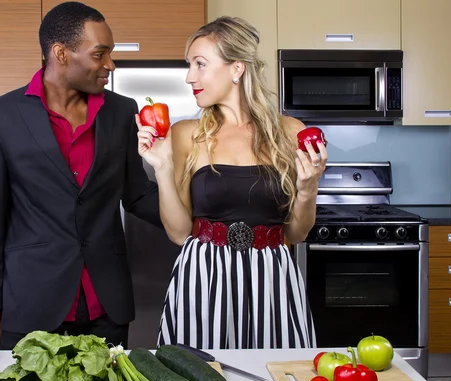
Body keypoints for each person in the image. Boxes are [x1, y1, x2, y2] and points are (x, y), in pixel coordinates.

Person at [0, 2, 162, 351]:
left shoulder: (122, 111)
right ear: (60, 53)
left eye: (110, 53)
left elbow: (137, 194)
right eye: (99, 54)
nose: (110, 65)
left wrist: (202, 216)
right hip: (31, 308)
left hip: (107, 305)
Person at [136, 16, 327, 350]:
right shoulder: (185, 134)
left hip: (272, 277)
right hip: (203, 277)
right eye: (189, 65)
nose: (189, 77)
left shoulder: (291, 132)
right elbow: (180, 233)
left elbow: (296, 233)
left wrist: (308, 188)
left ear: (236, 69)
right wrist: (163, 168)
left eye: (200, 64)